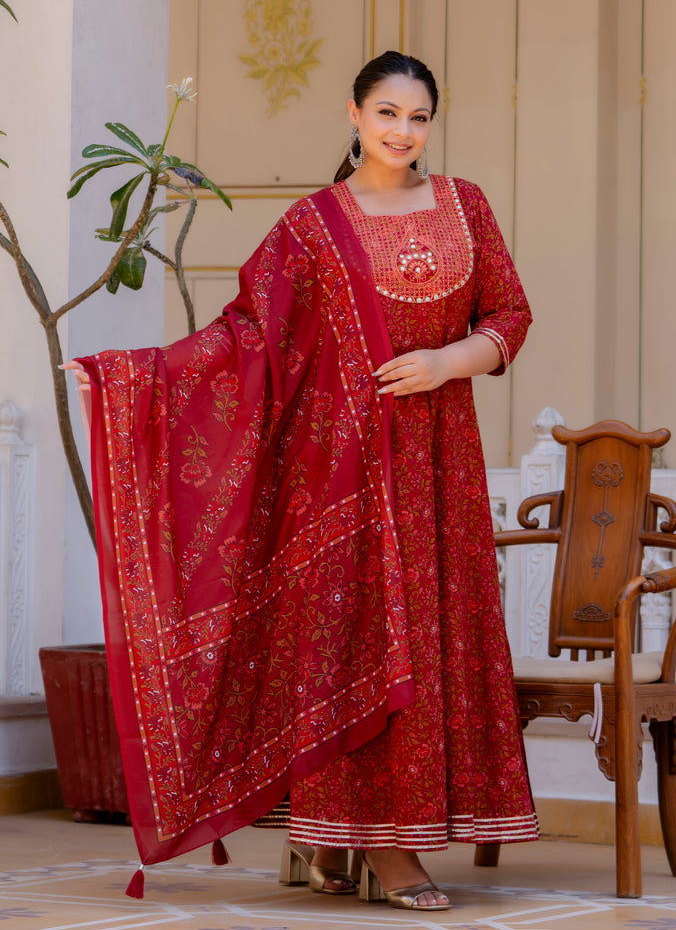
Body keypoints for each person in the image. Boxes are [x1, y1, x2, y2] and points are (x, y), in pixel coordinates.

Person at [64, 50, 538, 913]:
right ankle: (364, 847)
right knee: (358, 641)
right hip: (346, 470)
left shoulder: (465, 207)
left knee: (426, 638)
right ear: (353, 116)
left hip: (442, 466)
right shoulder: (315, 226)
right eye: (387, 113)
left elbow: (510, 313)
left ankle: (373, 841)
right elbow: (249, 336)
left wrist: (444, 361)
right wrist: (129, 378)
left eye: (419, 116)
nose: (404, 131)